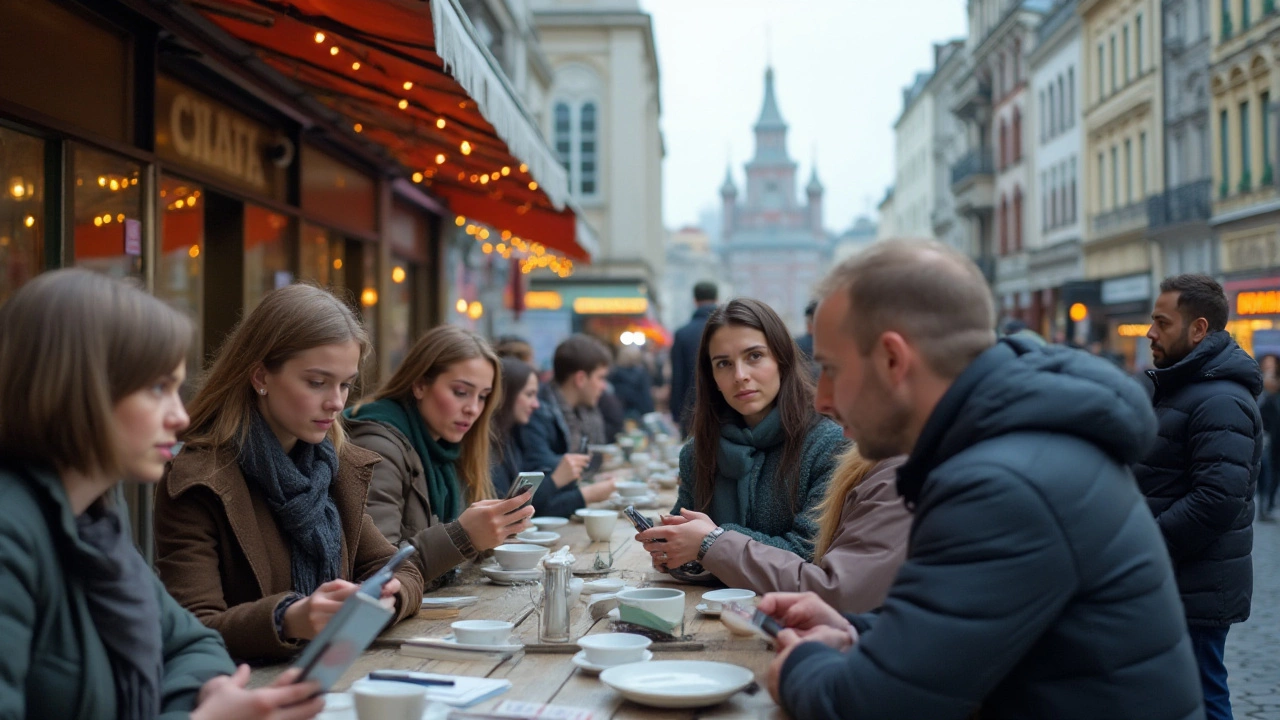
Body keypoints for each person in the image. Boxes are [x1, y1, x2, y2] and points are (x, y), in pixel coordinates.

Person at [763, 240, 1202, 719]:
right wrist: (855, 632)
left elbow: (878, 705)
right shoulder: (1011, 447)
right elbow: (971, 632)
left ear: (893, 360)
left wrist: (799, 664)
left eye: (830, 368)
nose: (821, 398)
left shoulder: (1002, 484)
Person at [0, 269, 325, 719]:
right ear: (80, 388)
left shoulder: (94, 522)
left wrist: (208, 694)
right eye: (158, 389)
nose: (180, 417)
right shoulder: (12, 534)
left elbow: (189, 642)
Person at [155, 284, 424, 663]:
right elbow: (192, 629)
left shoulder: (335, 465)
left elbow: (401, 568)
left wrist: (387, 595)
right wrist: (287, 619)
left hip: (334, 679)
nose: (336, 402)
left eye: (345, 384)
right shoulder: (199, 480)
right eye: (317, 382)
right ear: (261, 376)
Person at [636, 298, 846, 571]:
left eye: (754, 356)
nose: (740, 375)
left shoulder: (827, 445)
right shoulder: (697, 452)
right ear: (711, 378)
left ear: (781, 359)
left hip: (788, 609)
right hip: (703, 608)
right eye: (723, 364)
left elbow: (810, 552)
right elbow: (683, 534)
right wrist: (666, 548)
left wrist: (711, 541)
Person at [1134, 274, 1262, 720]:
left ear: (1198, 329)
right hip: (1180, 579)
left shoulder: (1219, 397)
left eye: (1161, 322)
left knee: (1202, 697)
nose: (1150, 332)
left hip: (1197, 585)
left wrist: (1145, 545)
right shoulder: (1186, 387)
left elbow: (1217, 497)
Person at [345, 326, 535, 585]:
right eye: (460, 392)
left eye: (483, 397)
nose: (473, 409)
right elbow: (378, 573)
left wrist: (492, 535)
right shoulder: (377, 447)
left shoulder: (446, 444)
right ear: (420, 384)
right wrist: (463, 537)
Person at [695, 448, 910, 611]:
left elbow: (833, 586)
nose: (823, 402)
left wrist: (712, 541)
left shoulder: (893, 475)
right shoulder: (701, 444)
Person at [515, 334, 618, 516]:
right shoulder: (537, 414)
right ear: (580, 379)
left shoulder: (581, 412)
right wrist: (589, 493)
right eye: (600, 378)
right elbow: (536, 499)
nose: (603, 386)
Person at [491, 357, 606, 507]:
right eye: (529, 394)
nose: (536, 404)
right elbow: (512, 507)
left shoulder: (508, 437)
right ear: (506, 395)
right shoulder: (494, 444)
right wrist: (558, 480)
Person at [671, 281, 718, 435]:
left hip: (691, 409)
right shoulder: (725, 331)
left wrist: (676, 415)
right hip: (723, 408)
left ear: (695, 301)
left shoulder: (682, 333)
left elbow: (677, 377)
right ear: (716, 299)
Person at [1257, 354, 1280, 522]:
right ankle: (1263, 508)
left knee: (1271, 473)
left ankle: (1267, 505)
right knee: (1263, 473)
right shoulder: (1258, 386)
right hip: (1263, 436)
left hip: (1274, 437)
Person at [608, 345, 656, 421]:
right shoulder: (641, 373)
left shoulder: (614, 373)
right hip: (639, 411)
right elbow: (646, 396)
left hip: (619, 411)